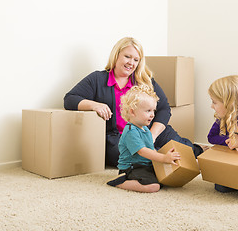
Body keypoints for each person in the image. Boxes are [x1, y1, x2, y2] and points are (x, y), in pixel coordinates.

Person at [64, 37, 203, 167]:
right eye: (127, 57)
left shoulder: (145, 81)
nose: (131, 63)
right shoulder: (97, 79)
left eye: (136, 59)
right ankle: (158, 157)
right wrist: (94, 105)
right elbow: (70, 99)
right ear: (116, 55)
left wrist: (152, 136)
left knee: (185, 151)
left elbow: (164, 109)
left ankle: (198, 149)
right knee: (140, 158)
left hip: (149, 131)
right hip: (120, 137)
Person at [107, 85, 180, 192]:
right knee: (154, 186)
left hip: (145, 165)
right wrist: (163, 158)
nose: (152, 115)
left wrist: (163, 158)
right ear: (132, 112)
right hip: (131, 168)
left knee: (167, 179)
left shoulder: (145, 129)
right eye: (148, 111)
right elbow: (143, 151)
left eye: (153, 111)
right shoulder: (131, 131)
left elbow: (151, 149)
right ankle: (120, 182)